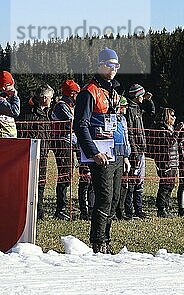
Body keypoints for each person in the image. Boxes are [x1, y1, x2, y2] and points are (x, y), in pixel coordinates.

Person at [74, 48, 131, 253]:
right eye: (109, 64)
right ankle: (98, 243)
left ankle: (106, 240)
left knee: (115, 199)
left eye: (116, 65)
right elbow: (80, 125)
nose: (113, 69)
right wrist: (93, 152)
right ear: (99, 65)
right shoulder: (89, 91)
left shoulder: (113, 91)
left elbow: (118, 124)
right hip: (100, 154)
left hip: (116, 153)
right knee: (104, 199)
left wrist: (124, 153)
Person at [19, 84, 55, 220]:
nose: (51, 100)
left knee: (41, 181)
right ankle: (29, 210)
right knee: (29, 182)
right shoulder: (29, 111)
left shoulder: (46, 111)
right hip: (31, 152)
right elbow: (25, 131)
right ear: (44, 97)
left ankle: (39, 210)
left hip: (43, 151)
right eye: (50, 98)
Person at [51, 79, 80, 220]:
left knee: (68, 174)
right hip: (62, 143)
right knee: (64, 174)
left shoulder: (70, 105)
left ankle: (63, 205)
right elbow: (74, 122)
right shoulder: (61, 106)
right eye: (76, 93)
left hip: (69, 143)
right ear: (71, 93)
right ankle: (60, 208)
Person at [123, 84, 150, 219]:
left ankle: (139, 209)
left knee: (140, 180)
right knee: (132, 180)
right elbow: (130, 133)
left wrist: (149, 101)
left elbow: (151, 113)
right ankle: (129, 210)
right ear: (136, 96)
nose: (142, 98)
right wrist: (134, 151)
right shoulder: (130, 110)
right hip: (135, 151)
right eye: (141, 95)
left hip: (141, 149)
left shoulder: (138, 108)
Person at [152, 107, 179, 217]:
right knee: (165, 185)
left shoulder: (170, 129)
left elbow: (176, 142)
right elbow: (169, 143)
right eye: (172, 116)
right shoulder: (161, 129)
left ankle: (166, 207)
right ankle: (161, 208)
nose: (174, 118)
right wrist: (177, 131)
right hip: (165, 161)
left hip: (173, 160)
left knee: (171, 185)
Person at [0, 71, 20, 138]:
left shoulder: (6, 98)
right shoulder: (1, 101)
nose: (3, 88)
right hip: (3, 139)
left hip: (9, 138)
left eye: (6, 85)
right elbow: (15, 111)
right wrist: (15, 96)